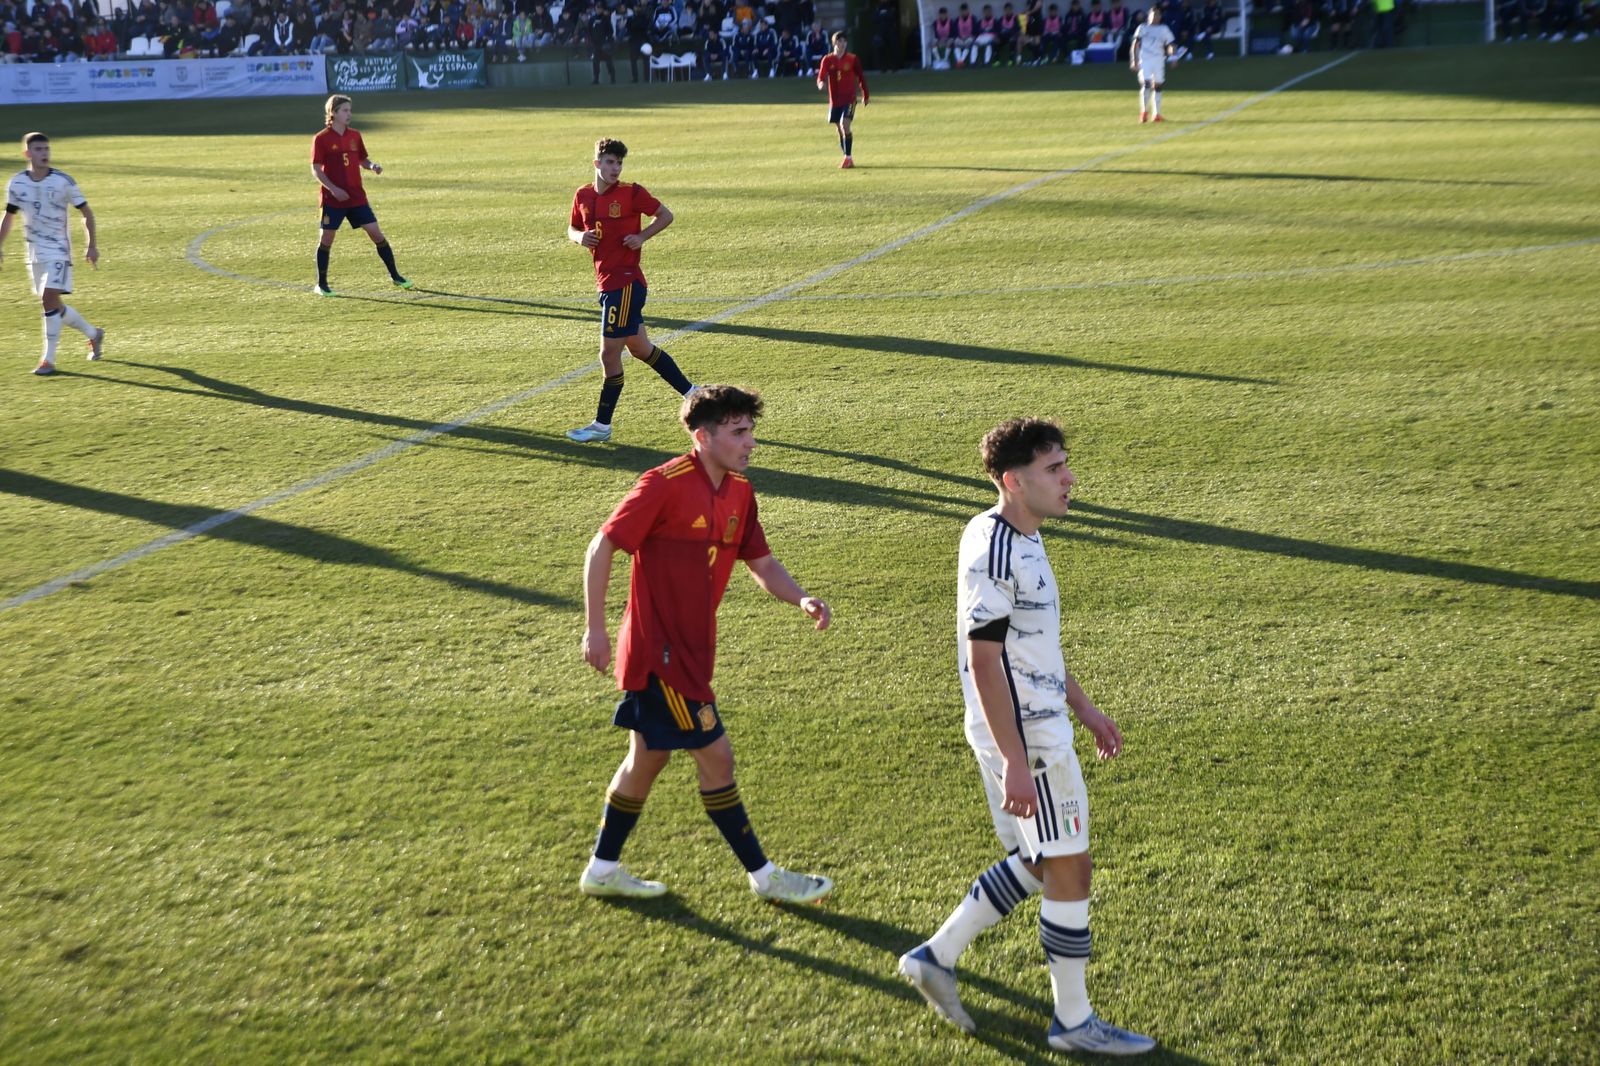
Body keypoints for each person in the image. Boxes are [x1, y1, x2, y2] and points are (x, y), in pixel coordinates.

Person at [897, 418, 1156, 1056]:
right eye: (1053, 469)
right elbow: (985, 661)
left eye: (1065, 464)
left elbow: (1031, 648)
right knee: (1070, 868)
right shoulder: (999, 550)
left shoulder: (1016, 536)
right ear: (1014, 481)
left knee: (1042, 862)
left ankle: (937, 954)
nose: (1068, 479)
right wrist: (1016, 759)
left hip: (1032, 724)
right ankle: (1073, 1022)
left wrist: (1088, 710)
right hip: (1027, 736)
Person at [577, 384, 835, 905]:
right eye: (739, 432)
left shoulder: (739, 490)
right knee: (716, 756)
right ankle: (765, 877)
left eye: (751, 431)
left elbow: (761, 563)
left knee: (646, 760)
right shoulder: (663, 484)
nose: (751, 443)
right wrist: (596, 628)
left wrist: (801, 598)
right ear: (703, 436)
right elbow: (604, 544)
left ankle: (602, 868)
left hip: (693, 651)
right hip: (660, 655)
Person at [565, 138, 695, 444]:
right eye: (610, 162)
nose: (615, 168)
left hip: (623, 284)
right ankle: (694, 394)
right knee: (640, 348)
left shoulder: (631, 192)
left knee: (609, 355)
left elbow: (665, 215)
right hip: (608, 282)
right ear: (597, 163)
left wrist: (641, 237)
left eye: (619, 163)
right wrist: (579, 237)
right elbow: (571, 227)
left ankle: (602, 425)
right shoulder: (582, 194)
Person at [1, 133, 104, 377]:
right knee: (54, 304)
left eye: (46, 149)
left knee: (48, 300)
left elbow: (86, 213)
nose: (44, 153)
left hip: (58, 249)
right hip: (34, 251)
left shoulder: (63, 181)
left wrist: (91, 245)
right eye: (38, 149)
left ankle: (48, 359)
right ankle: (94, 334)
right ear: (28, 154)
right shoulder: (17, 183)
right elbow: (9, 216)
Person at [310, 95, 410, 297]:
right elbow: (316, 169)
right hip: (333, 199)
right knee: (327, 239)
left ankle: (396, 276)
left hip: (357, 197)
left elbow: (361, 158)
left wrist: (372, 166)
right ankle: (321, 284)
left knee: (376, 233)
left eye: (350, 110)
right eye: (345, 110)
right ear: (333, 113)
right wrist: (333, 189)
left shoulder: (355, 135)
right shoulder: (321, 139)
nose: (349, 114)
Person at [816, 30, 868, 169]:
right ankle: (847, 155)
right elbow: (821, 75)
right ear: (834, 43)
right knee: (839, 129)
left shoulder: (852, 59)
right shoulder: (827, 60)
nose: (842, 44)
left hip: (850, 98)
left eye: (844, 41)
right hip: (835, 100)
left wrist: (865, 94)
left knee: (845, 125)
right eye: (839, 41)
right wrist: (821, 83)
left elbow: (861, 77)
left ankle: (848, 158)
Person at [1130, 5, 1174, 123]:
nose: (1156, 17)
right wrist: (1134, 59)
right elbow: (1135, 44)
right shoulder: (1142, 28)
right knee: (1146, 84)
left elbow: (1171, 44)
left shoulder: (1164, 29)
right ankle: (1144, 112)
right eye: (1153, 14)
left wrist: (1172, 55)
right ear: (1148, 16)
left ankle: (1156, 114)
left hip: (1159, 60)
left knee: (1158, 86)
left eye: (1158, 15)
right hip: (1145, 60)